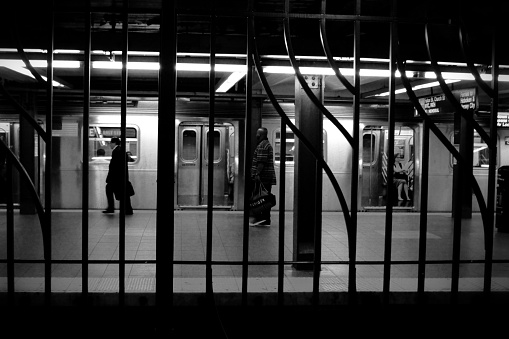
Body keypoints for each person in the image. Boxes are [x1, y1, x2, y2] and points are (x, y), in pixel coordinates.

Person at [249, 127, 276, 226]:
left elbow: (261, 162)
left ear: (261, 135)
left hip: (263, 177)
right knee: (264, 197)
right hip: (266, 177)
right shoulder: (266, 144)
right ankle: (264, 219)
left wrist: (256, 174)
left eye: (258, 133)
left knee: (262, 198)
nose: (256, 135)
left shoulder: (262, 145)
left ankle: (263, 219)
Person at [103, 137, 134, 215]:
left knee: (110, 189)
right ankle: (127, 209)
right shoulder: (121, 150)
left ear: (114, 143)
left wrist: (110, 178)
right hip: (119, 177)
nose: (110, 144)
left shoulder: (116, 151)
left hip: (116, 178)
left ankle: (112, 208)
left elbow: (114, 166)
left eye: (110, 143)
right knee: (124, 193)